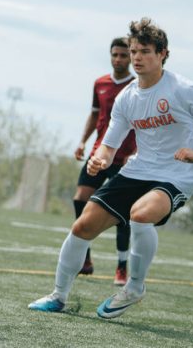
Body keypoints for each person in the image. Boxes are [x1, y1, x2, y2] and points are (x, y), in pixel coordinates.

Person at [28, 17, 193, 319]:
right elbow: (109, 146)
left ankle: (134, 288)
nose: (137, 58)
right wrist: (100, 159)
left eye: (145, 51)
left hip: (177, 174)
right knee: (82, 226)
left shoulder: (182, 88)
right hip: (138, 170)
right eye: (134, 51)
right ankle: (58, 296)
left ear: (162, 54)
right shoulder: (127, 98)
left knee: (141, 213)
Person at [72, 37, 136, 285]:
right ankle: (85, 258)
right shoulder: (100, 83)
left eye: (123, 55)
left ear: (130, 57)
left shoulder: (138, 85)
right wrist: (82, 142)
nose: (119, 59)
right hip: (99, 154)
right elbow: (95, 114)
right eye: (115, 55)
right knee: (80, 199)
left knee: (125, 213)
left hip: (126, 158)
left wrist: (138, 151)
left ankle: (121, 267)